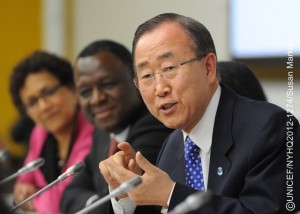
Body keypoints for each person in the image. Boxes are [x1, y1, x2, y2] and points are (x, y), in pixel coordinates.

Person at [99, 13, 300, 213]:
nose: (160, 88)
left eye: (169, 68)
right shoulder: (173, 145)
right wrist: (127, 195)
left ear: (208, 67)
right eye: (147, 76)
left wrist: (171, 194)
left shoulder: (271, 128)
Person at [60, 40, 173, 213]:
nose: (97, 98)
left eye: (107, 85)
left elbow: (118, 202)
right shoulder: (102, 134)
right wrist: (98, 200)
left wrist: (97, 201)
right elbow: (69, 195)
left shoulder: (155, 124)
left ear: (136, 81)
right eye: (85, 92)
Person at [9, 51, 93, 214]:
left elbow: (60, 203)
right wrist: (25, 188)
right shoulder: (40, 132)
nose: (43, 106)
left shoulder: (92, 127)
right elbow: (23, 184)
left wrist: (35, 199)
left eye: (48, 92)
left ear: (72, 88)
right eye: (32, 102)